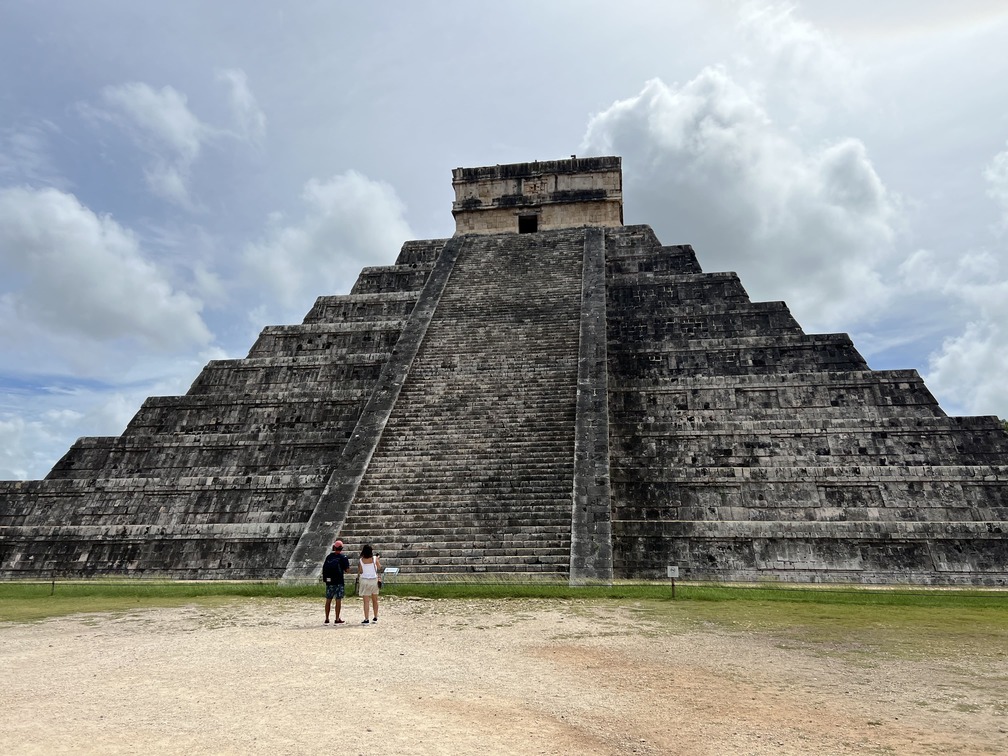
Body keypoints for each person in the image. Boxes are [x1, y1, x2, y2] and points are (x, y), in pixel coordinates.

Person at [321, 540, 350, 624]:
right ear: (341, 548)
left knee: (328, 599)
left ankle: (327, 618)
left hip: (329, 581)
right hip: (339, 581)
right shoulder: (343, 557)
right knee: (338, 600)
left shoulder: (329, 557)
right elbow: (347, 570)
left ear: (334, 547)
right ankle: (337, 618)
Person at [358, 544, 381, 624]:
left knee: (366, 601)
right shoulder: (374, 558)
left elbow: (361, 571)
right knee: (375, 600)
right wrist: (377, 559)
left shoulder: (361, 560)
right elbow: (379, 567)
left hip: (365, 580)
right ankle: (375, 617)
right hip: (374, 580)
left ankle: (366, 619)